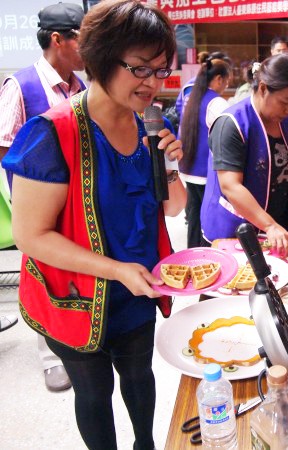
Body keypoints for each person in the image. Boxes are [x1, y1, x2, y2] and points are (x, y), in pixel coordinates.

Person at [2, 1, 186, 449]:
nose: (153, 84)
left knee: (140, 376)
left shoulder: (149, 127)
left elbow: (175, 208)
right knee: (94, 391)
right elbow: (31, 236)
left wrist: (172, 167)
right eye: (141, 69)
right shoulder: (52, 132)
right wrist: (116, 269)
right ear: (103, 59)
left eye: (161, 71)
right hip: (73, 294)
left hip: (140, 285)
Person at [0, 1, 87, 393]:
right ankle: (52, 355)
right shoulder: (21, 86)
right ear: (58, 40)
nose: (88, 49)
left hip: (77, 202)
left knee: (76, 270)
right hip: (40, 208)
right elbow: (5, 150)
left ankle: (79, 334)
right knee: (46, 274)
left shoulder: (81, 86)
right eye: (82, 39)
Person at [201, 54, 288, 255]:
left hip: (273, 221)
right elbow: (230, 186)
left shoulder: (283, 119)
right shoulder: (231, 123)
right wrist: (269, 225)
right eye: (285, 101)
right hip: (235, 228)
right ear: (262, 88)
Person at [178, 53, 231, 248]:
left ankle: (192, 253)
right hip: (205, 171)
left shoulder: (190, 95)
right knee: (207, 218)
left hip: (188, 167)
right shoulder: (217, 103)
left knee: (193, 215)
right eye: (226, 82)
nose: (225, 86)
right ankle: (205, 255)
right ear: (218, 79)